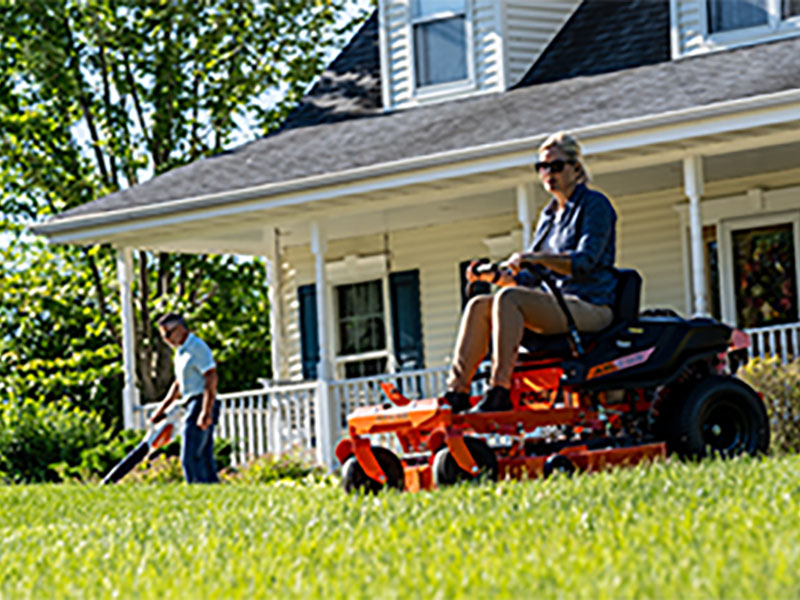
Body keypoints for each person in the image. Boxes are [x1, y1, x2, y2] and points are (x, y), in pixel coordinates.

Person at [444, 131, 618, 413]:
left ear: (575, 168)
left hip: (591, 304)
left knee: (509, 298)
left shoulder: (595, 206)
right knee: (479, 305)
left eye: (556, 166)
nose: (548, 173)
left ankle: (499, 389)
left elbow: (585, 262)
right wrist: (493, 276)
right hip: (557, 304)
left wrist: (534, 257)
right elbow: (529, 277)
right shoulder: (549, 216)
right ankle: (457, 393)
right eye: (542, 167)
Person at [149, 313, 220, 483]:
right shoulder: (180, 352)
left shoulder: (197, 347)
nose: (166, 340)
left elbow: (211, 377)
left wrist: (205, 411)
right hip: (191, 403)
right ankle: (213, 495)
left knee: (190, 458)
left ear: (180, 328)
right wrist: (161, 410)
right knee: (202, 456)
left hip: (200, 403)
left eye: (167, 334)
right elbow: (178, 385)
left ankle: (198, 495)